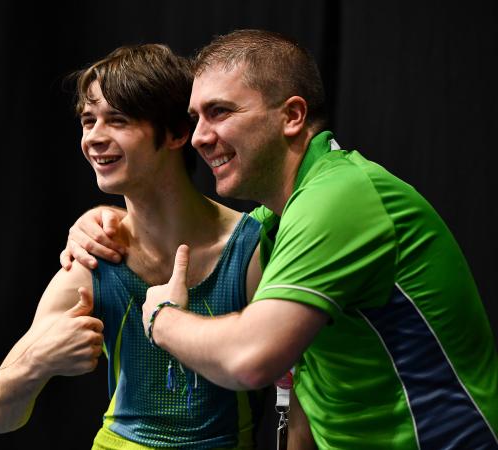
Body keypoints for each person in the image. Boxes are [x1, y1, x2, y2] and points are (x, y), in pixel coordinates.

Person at [62, 30, 498, 449]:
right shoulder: (278, 219)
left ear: (292, 116)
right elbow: (310, 384)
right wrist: (107, 218)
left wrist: (161, 316)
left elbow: (251, 359)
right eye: (196, 118)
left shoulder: (339, 198)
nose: (198, 137)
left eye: (221, 112)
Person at [0, 43, 312, 450]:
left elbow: (298, 403)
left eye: (116, 120)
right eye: (87, 120)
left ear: (175, 133)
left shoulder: (250, 249)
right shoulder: (92, 258)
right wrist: (37, 364)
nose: (94, 138)